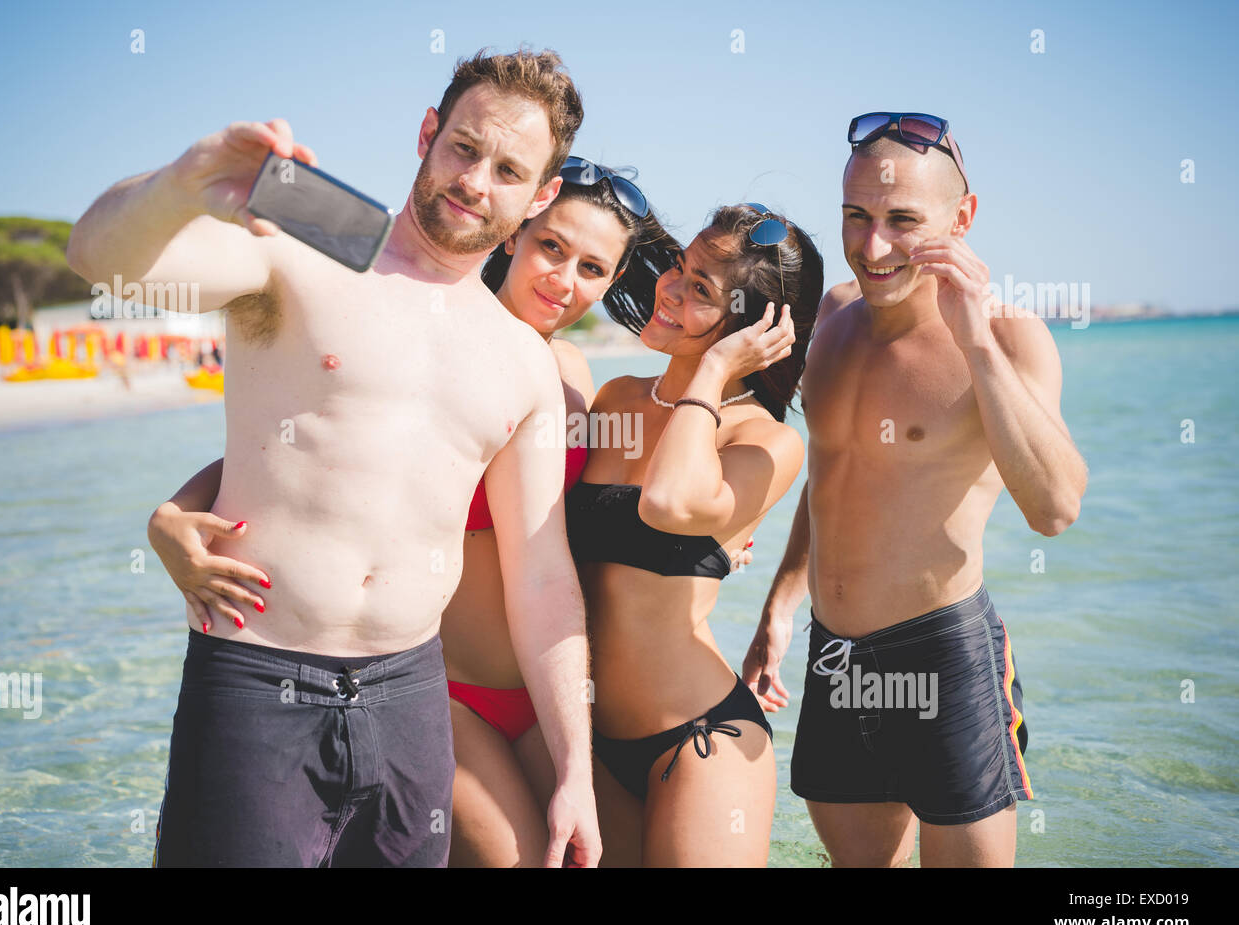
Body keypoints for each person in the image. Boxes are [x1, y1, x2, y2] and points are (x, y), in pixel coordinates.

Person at [66, 48, 600, 867]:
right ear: (428, 132)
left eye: (507, 169)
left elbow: (543, 575)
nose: (474, 181)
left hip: (410, 700)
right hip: (257, 680)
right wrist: (185, 179)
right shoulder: (307, 245)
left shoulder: (519, 358)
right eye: (463, 147)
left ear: (541, 194)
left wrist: (575, 769)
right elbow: (98, 256)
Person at [149, 158, 681, 866]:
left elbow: (555, 533)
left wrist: (692, 541)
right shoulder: (429, 335)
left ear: (613, 281)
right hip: (436, 692)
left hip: (542, 689)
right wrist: (173, 511)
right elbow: (315, 451)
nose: (563, 279)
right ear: (516, 231)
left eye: (592, 267)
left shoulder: (573, 380)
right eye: (552, 247)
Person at [744, 113, 1088, 867]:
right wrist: (779, 604)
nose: (873, 247)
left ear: (961, 218)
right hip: (834, 656)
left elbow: (1056, 507)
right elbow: (832, 476)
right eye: (856, 218)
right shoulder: (831, 316)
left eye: (903, 221)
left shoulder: (1011, 336)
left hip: (941, 652)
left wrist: (973, 342)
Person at [569, 203, 823, 866]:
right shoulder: (614, 398)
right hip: (586, 743)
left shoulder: (765, 441)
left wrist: (711, 372)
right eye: (680, 266)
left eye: (703, 290)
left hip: (700, 744)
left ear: (756, 328)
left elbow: (668, 502)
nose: (671, 288)